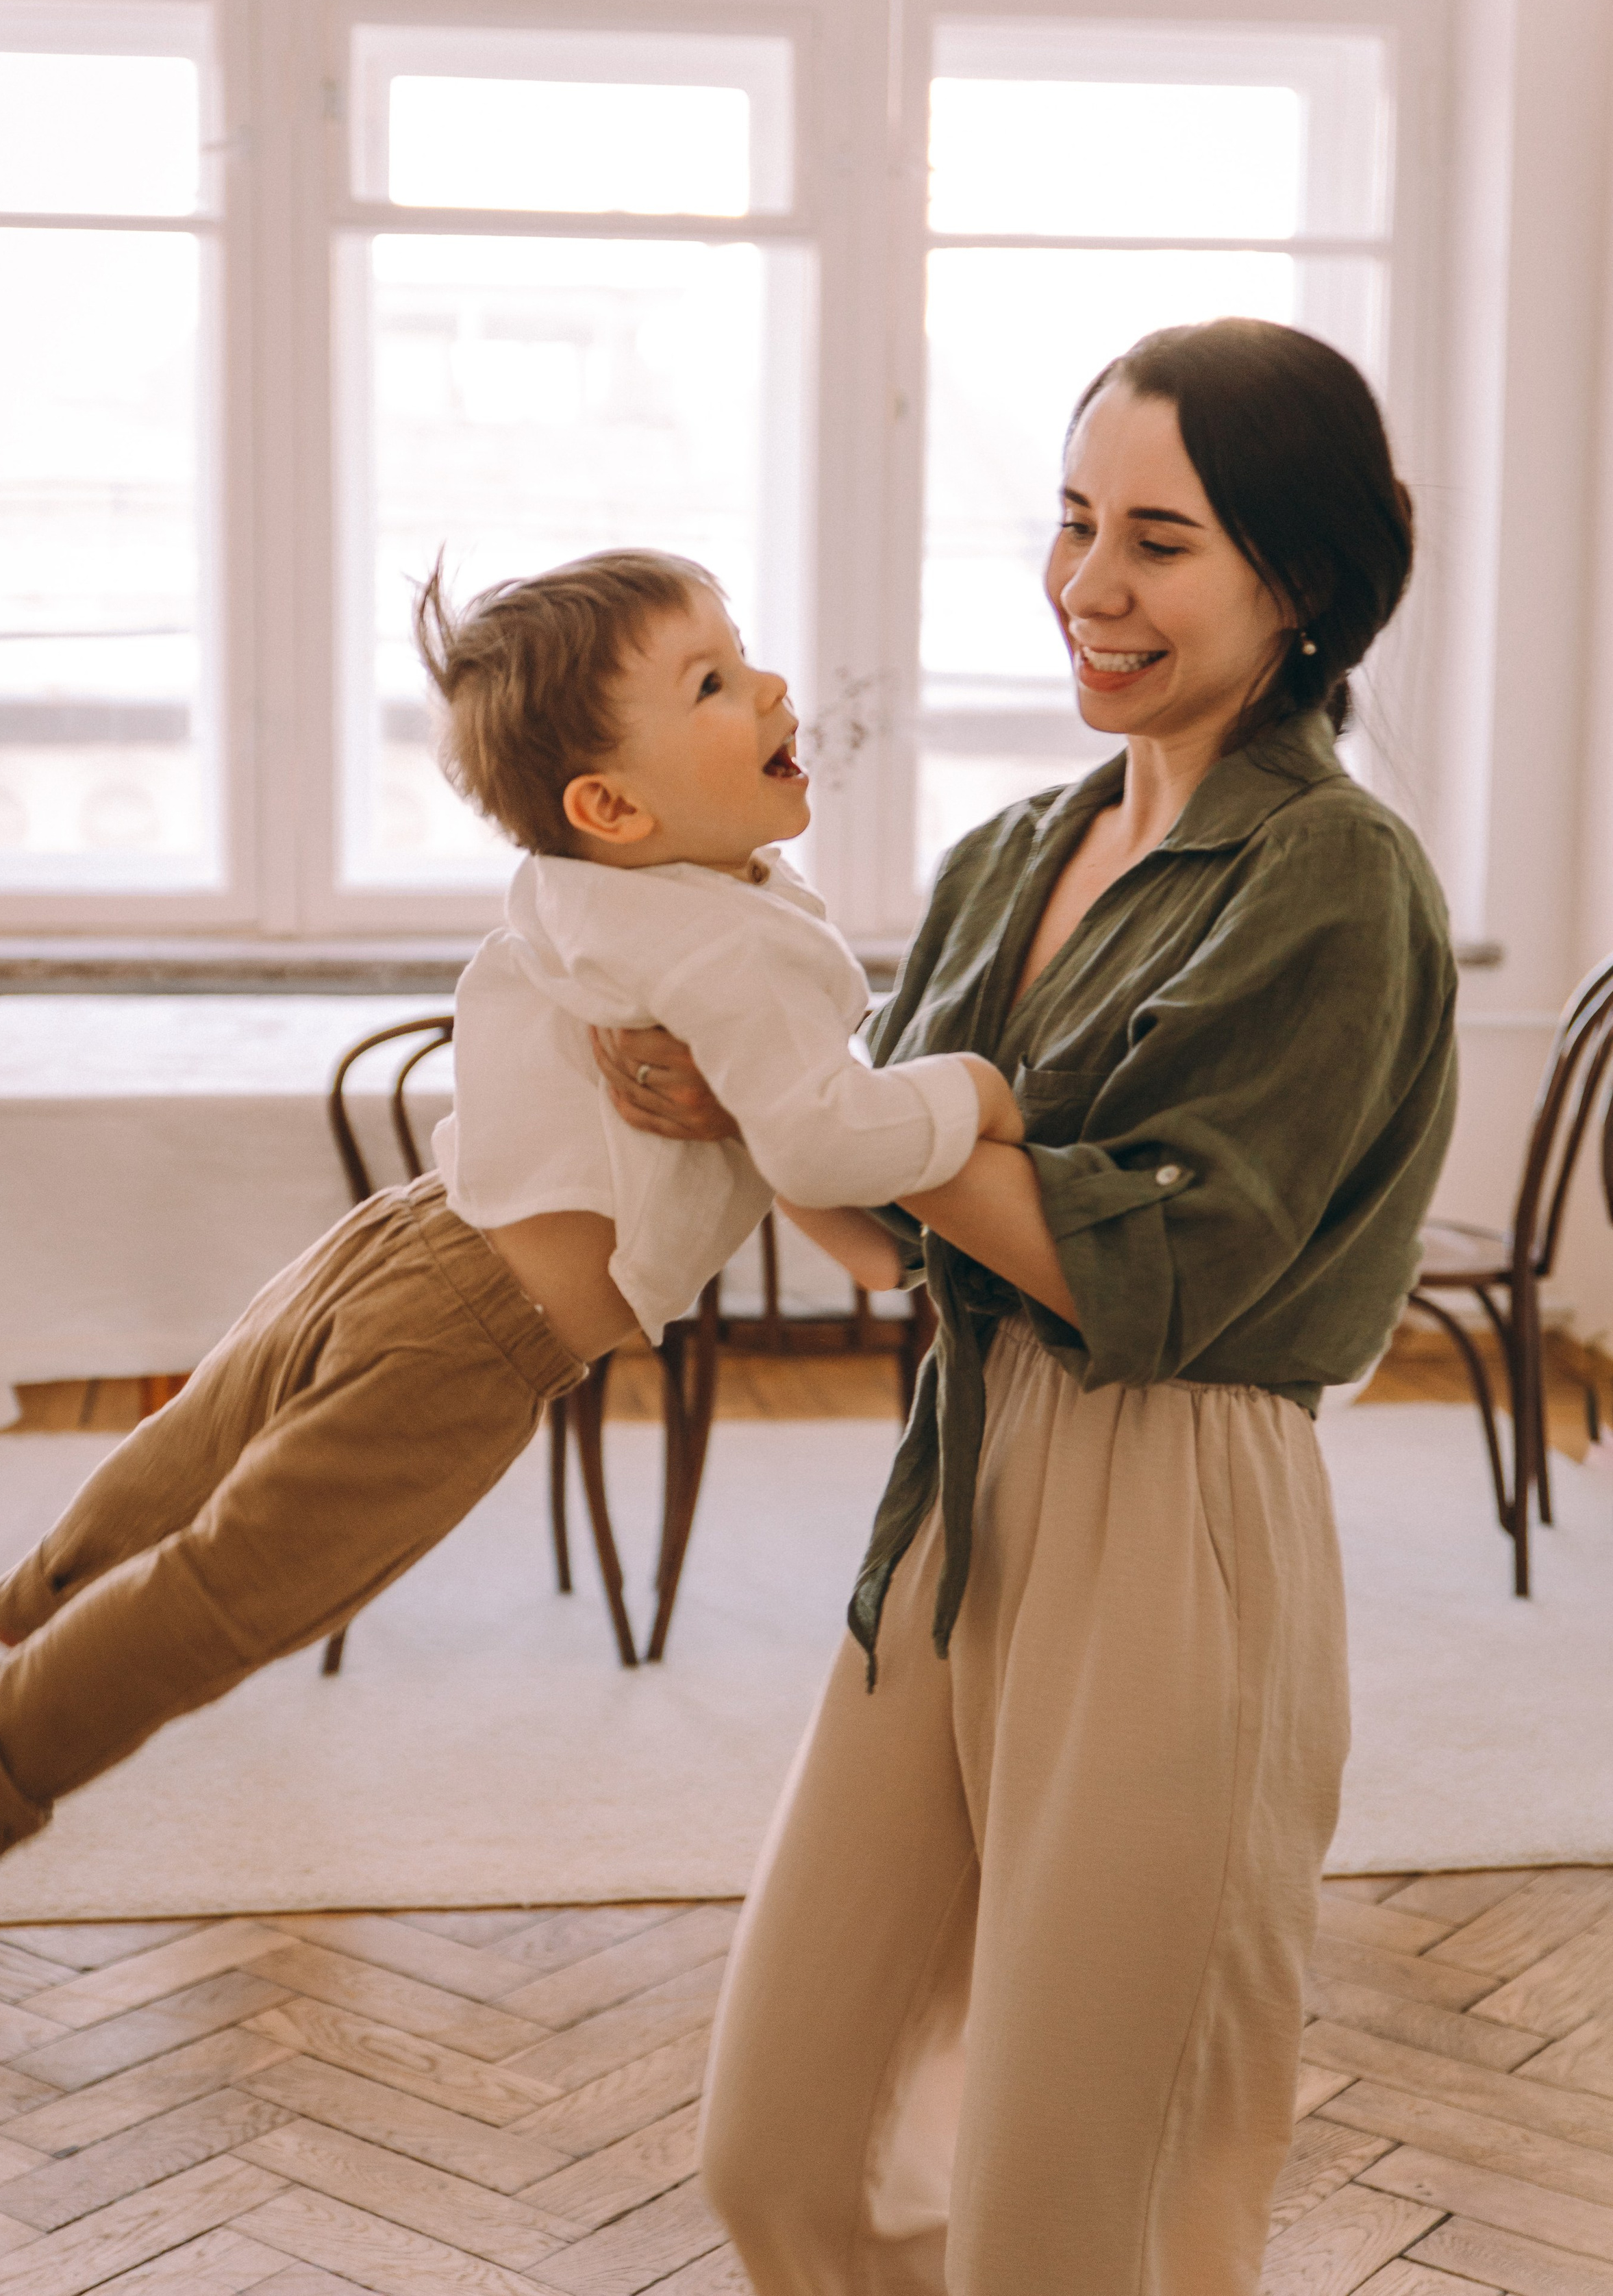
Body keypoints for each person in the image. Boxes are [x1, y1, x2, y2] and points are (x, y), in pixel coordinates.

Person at [594, 318, 1458, 2294]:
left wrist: (840, 1119)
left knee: (1087, 2216)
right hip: (961, 1483)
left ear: (1298, 583)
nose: (1089, 586)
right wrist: (750, 1116)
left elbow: (1158, 1273)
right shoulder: (1016, 853)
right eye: (1075, 523)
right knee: (787, 2149)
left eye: (1158, 538)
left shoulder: (1337, 879)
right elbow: (909, 1244)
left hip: (1183, 1513)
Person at [0, 547, 1024, 1937]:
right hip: (479, 1333)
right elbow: (812, 1134)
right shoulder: (741, 947)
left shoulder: (599, 885)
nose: (772, 685)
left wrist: (872, 1233)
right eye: (715, 682)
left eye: (741, 653)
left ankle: (51, 1583)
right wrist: (969, 1093)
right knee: (255, 1578)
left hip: (414, 1229)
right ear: (610, 803)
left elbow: (782, 1160)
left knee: (213, 1428)